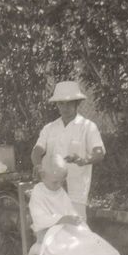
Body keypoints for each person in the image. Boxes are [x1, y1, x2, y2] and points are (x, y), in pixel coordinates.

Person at [29, 155, 128, 255]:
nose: (58, 185)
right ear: (43, 176)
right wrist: (62, 218)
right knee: (77, 250)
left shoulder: (60, 191)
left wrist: (74, 218)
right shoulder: (38, 192)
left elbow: (68, 210)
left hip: (66, 230)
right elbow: (39, 217)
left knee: (94, 242)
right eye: (54, 182)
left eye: (61, 182)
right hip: (49, 235)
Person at [31, 81, 105, 220]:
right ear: (57, 104)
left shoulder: (87, 127)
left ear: (77, 103)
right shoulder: (49, 128)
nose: (65, 107)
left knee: (77, 229)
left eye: (69, 103)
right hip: (51, 188)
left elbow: (99, 153)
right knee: (52, 229)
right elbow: (37, 150)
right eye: (61, 103)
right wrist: (38, 165)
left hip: (76, 190)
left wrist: (84, 160)